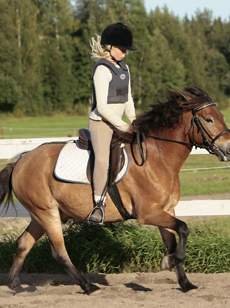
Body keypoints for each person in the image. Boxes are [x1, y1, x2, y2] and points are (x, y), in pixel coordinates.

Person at [87, 22, 137, 224]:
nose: (125, 53)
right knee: (102, 161)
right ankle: (98, 204)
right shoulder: (102, 70)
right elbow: (102, 107)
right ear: (109, 47)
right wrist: (124, 126)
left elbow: (128, 98)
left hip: (119, 123)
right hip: (101, 124)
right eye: (122, 49)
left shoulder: (124, 68)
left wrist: (134, 122)